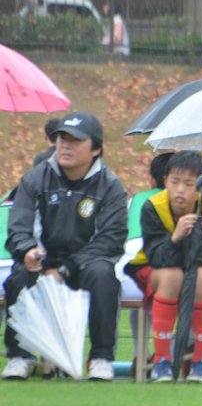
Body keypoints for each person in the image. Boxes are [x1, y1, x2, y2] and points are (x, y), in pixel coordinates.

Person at [2, 111, 128, 381]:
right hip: (42, 261)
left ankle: (101, 358)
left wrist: (67, 268)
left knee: (104, 276)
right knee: (19, 277)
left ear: (95, 149)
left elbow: (110, 240)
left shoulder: (111, 187)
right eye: (61, 139)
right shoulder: (34, 179)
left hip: (84, 266)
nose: (65, 146)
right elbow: (17, 228)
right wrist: (27, 251)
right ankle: (19, 356)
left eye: (74, 140)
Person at [134, 151, 202, 382]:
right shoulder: (152, 207)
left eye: (189, 184)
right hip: (156, 270)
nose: (180, 190)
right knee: (172, 276)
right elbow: (155, 256)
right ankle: (162, 361)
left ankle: (201, 363)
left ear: (201, 185)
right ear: (165, 181)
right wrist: (175, 237)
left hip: (196, 271)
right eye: (174, 182)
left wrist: (201, 236)